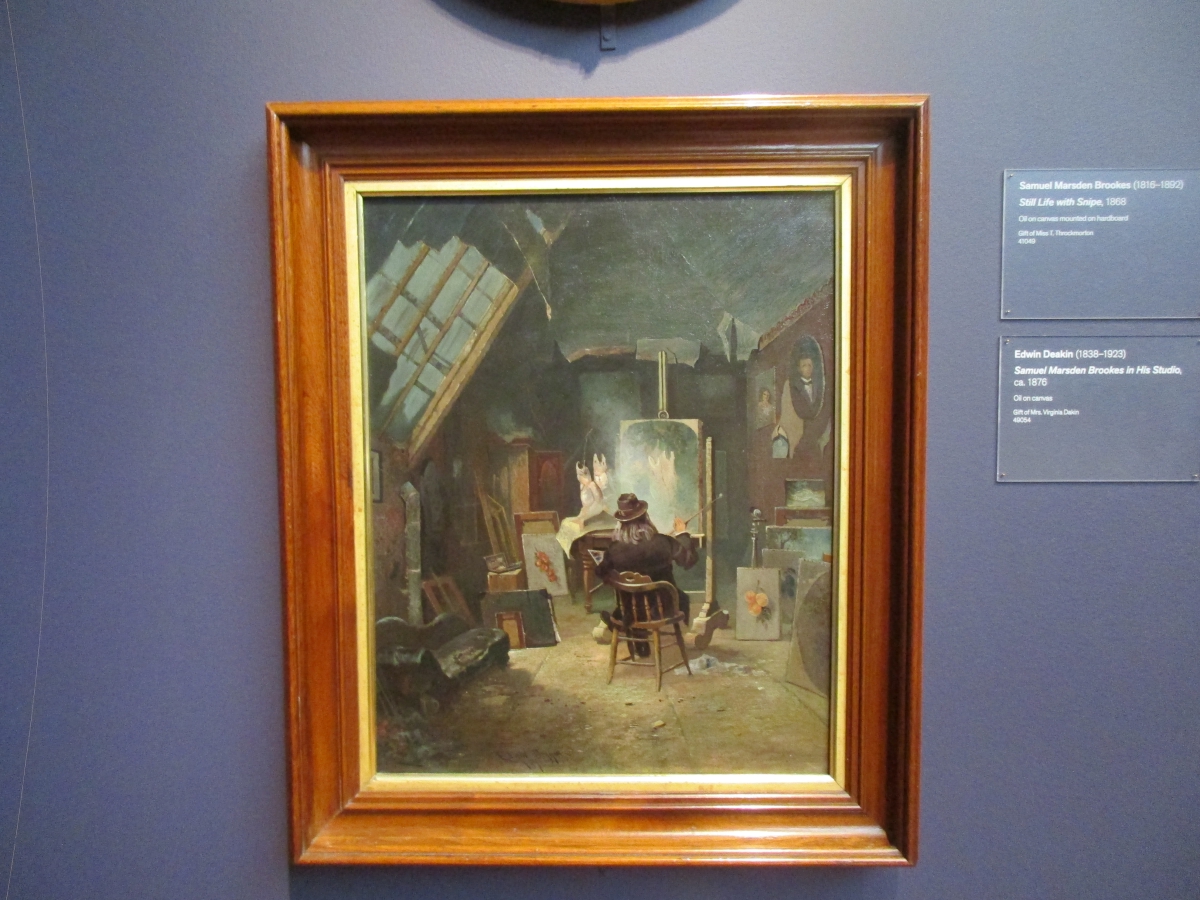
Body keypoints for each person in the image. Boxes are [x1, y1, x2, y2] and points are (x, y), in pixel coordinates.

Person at [594, 493, 698, 653]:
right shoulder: (662, 542)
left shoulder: (614, 549)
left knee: (629, 602)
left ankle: (630, 631)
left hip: (629, 610)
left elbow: (601, 572)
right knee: (679, 597)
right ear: (646, 518)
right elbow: (688, 560)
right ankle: (639, 634)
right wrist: (682, 534)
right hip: (663, 608)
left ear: (621, 524)